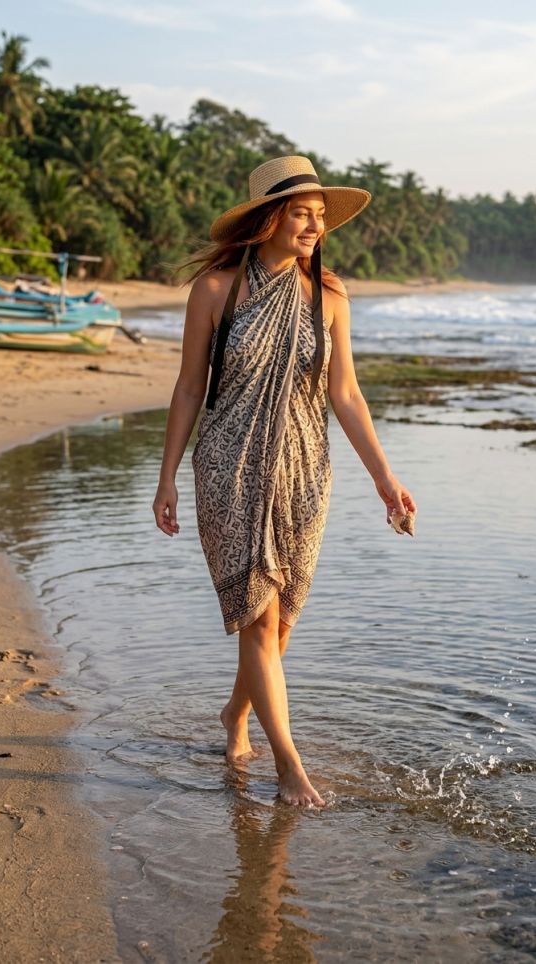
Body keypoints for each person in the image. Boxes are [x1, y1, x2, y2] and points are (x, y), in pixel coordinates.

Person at [153, 156, 417, 808]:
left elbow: (346, 394)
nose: (313, 224)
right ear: (268, 217)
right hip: (228, 469)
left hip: (304, 471)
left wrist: (385, 478)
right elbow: (189, 388)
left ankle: (235, 716)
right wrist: (166, 478)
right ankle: (288, 766)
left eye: (319, 215)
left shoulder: (328, 294)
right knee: (259, 622)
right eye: (300, 212)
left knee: (280, 625)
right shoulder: (215, 291)